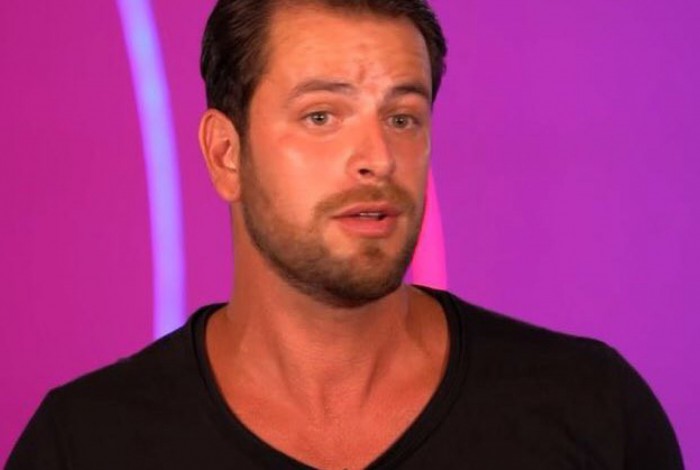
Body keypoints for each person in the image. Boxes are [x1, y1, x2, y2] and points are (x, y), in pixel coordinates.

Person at [7, 0, 683, 468]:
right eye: (322, 116)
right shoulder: (84, 445)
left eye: (402, 117)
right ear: (225, 154)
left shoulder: (594, 412)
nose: (378, 159)